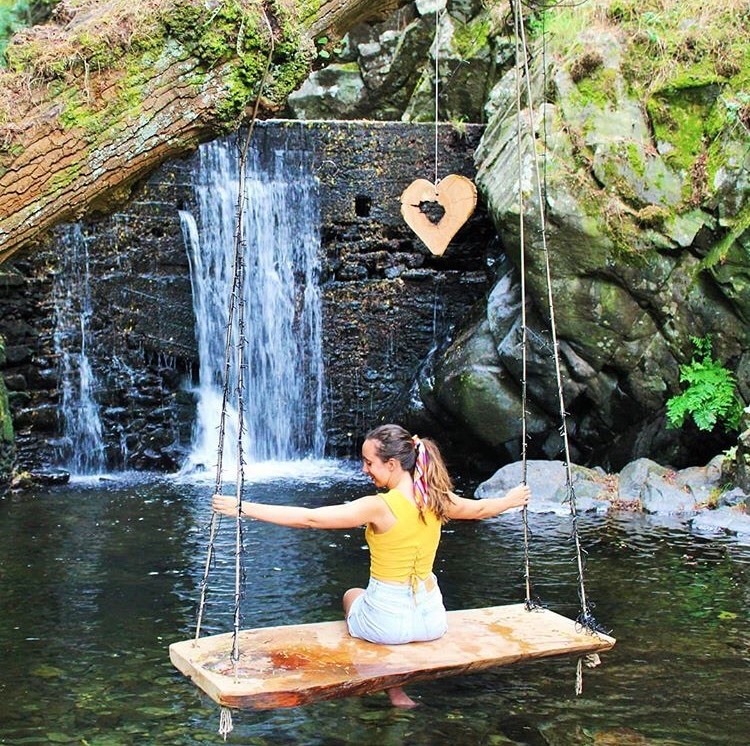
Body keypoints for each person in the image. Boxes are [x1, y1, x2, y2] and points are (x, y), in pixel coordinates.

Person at [212, 423, 531, 708]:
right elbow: (480, 509)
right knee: (402, 598)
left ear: (392, 464)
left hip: (386, 625)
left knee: (352, 594)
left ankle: (395, 693)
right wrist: (512, 499)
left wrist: (244, 507)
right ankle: (400, 690)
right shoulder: (438, 498)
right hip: (433, 622)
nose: (365, 469)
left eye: (369, 463)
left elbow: (310, 519)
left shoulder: (378, 506)